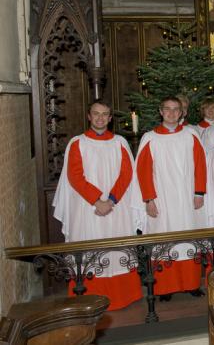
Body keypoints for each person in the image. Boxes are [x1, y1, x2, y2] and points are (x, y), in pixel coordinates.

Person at [53, 101, 142, 310]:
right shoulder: (78, 143)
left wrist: (110, 200)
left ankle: (122, 296)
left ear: (110, 118)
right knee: (90, 246)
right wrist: (96, 200)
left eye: (105, 114)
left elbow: (126, 173)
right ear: (89, 116)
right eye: (96, 114)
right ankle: (88, 296)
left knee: (117, 247)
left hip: (115, 206)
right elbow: (75, 176)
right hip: (88, 208)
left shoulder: (120, 142)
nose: (101, 118)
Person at [135, 96, 207, 300]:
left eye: (176, 109)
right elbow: (143, 171)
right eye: (167, 109)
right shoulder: (150, 138)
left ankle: (192, 284)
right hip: (162, 199)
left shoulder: (191, 134)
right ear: (160, 111)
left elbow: (201, 164)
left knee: (189, 238)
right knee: (164, 240)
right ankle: (165, 288)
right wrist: (149, 199)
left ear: (182, 112)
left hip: (187, 197)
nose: (172, 113)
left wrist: (199, 192)